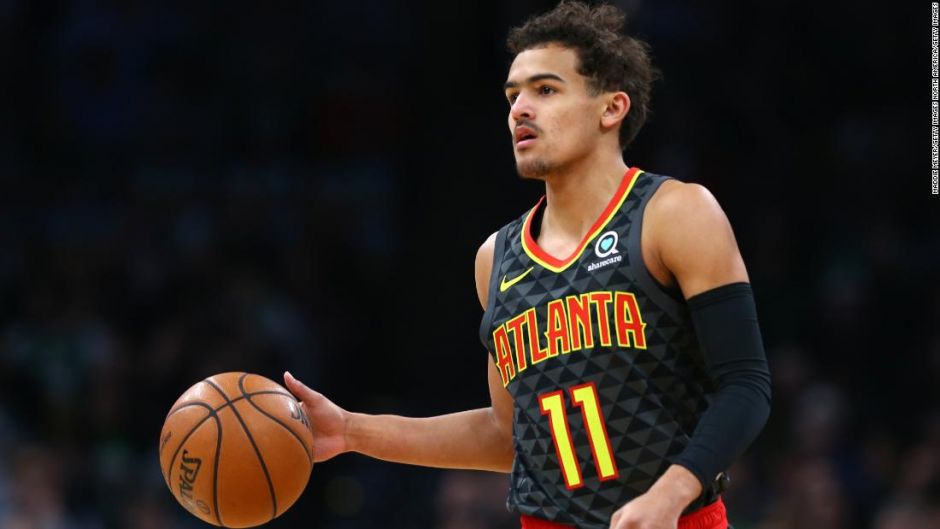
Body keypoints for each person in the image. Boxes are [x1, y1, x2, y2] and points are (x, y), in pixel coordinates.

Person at [283, 2, 771, 528]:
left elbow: (745, 385)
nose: (519, 109)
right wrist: (351, 431)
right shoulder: (496, 258)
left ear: (611, 108)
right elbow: (507, 435)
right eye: (513, 95)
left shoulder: (674, 213)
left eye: (545, 90)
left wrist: (670, 494)